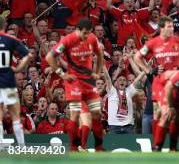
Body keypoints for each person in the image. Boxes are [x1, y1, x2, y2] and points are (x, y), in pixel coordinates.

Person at [133, 16, 179, 151]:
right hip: (160, 83)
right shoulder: (152, 43)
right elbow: (137, 57)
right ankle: (157, 145)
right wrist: (149, 70)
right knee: (160, 113)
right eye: (169, 27)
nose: (172, 29)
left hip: (176, 81)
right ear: (161, 28)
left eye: (172, 26)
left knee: (174, 115)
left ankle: (172, 147)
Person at [45, 18, 105, 151]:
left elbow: (100, 54)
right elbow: (49, 57)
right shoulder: (67, 40)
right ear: (78, 30)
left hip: (89, 82)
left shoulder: (92, 38)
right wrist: (62, 74)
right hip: (74, 82)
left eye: (89, 33)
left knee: (97, 114)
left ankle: (99, 147)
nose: (86, 36)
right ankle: (73, 147)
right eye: (84, 33)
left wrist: (98, 72)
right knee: (75, 115)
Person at [0, 16, 35, 147]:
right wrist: (19, 68)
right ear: (4, 26)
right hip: (8, 82)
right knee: (15, 116)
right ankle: (22, 147)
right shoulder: (11, 39)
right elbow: (29, 55)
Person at [102, 61, 146, 134]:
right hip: (114, 126)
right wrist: (102, 64)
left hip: (128, 126)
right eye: (120, 80)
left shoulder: (129, 90)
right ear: (116, 82)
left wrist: (146, 68)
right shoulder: (111, 91)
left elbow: (139, 77)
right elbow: (107, 77)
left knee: (130, 145)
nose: (122, 81)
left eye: (124, 80)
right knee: (114, 146)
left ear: (126, 83)